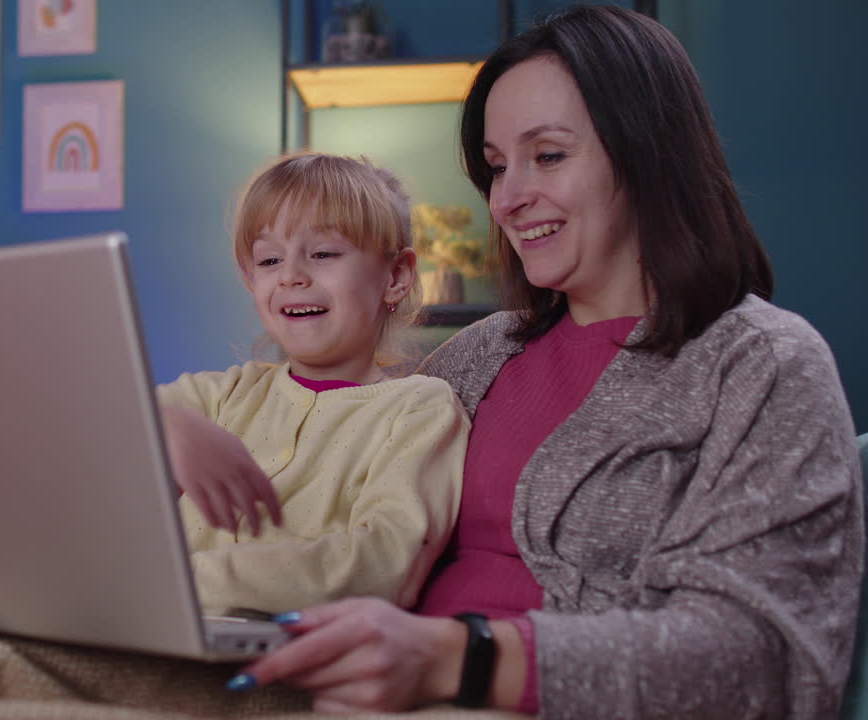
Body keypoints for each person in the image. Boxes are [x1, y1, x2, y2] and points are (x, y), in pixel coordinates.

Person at [216, 5, 863, 718]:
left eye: (548, 156)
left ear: (650, 151)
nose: (509, 199)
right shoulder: (479, 355)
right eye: (495, 168)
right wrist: (178, 437)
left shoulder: (762, 364)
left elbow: (766, 658)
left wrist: (458, 659)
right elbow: (328, 470)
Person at [158, 151, 469, 616]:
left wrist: (183, 584)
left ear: (397, 277)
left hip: (282, 662)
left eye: (323, 253)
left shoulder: (420, 411)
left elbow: (384, 565)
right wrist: (163, 425)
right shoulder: (217, 398)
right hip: (151, 631)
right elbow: (71, 428)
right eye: (268, 260)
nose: (291, 276)